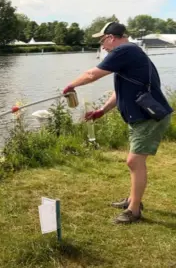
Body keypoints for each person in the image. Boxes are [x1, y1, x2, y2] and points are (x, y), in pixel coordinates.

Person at [62, 22, 173, 224]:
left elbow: (91, 75)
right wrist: (102, 111)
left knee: (134, 161)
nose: (102, 46)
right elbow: (120, 92)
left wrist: (71, 85)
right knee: (135, 162)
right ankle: (133, 199)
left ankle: (134, 210)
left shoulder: (124, 50)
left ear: (112, 37)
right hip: (140, 116)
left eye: (102, 41)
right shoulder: (129, 53)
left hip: (148, 117)